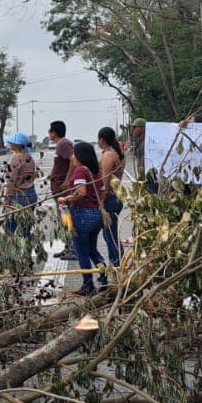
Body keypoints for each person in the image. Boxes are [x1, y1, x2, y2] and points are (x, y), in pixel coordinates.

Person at [56, 141, 107, 296]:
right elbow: (103, 191)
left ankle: (88, 285)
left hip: (82, 215)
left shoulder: (80, 171)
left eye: (74, 154)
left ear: (79, 156)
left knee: (82, 253)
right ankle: (104, 279)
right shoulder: (96, 171)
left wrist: (66, 199)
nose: (72, 157)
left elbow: (81, 192)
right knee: (92, 250)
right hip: (96, 215)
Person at [96, 126, 126, 267]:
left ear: (101, 140)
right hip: (115, 197)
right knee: (111, 234)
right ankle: (119, 263)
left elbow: (105, 181)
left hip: (110, 198)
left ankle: (116, 265)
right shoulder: (116, 153)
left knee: (109, 236)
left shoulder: (108, 155)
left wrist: (101, 201)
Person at [1, 132, 39, 239]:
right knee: (26, 229)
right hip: (31, 195)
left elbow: (11, 182)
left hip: (19, 197)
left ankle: (8, 255)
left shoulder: (15, 158)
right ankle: (27, 254)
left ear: (18, 145)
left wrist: (6, 200)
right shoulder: (30, 158)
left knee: (9, 229)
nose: (9, 144)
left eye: (11, 142)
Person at [47, 121, 75, 259]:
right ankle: (67, 247)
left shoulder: (64, 144)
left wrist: (67, 180)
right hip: (58, 190)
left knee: (66, 219)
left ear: (54, 132)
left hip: (63, 191)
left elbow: (73, 160)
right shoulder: (60, 144)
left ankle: (72, 249)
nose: (49, 133)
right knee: (63, 220)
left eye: (50, 131)